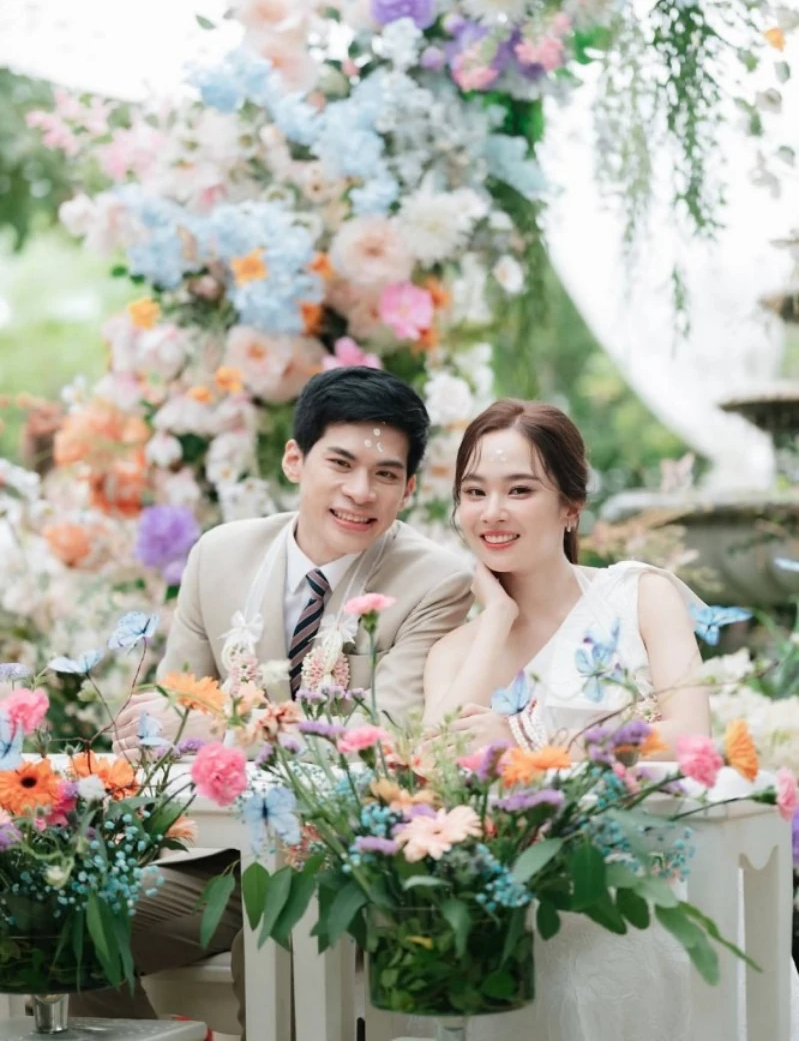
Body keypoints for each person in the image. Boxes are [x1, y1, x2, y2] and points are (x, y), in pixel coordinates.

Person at [72, 366, 473, 1031]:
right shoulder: (219, 555)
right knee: (72, 912)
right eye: (340, 463)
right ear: (295, 459)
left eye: (384, 474)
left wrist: (214, 727)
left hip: (338, 858)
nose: (360, 491)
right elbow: (166, 719)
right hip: (210, 859)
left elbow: (386, 739)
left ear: (408, 488)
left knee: (279, 926)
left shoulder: (436, 581)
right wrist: (178, 726)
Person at [416, 398, 799, 1041]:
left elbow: (689, 736)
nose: (492, 512)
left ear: (571, 505)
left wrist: (527, 746)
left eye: (519, 490)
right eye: (474, 492)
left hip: (651, 884)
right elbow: (428, 768)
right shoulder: (455, 650)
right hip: (515, 897)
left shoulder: (638, 595)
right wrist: (496, 620)